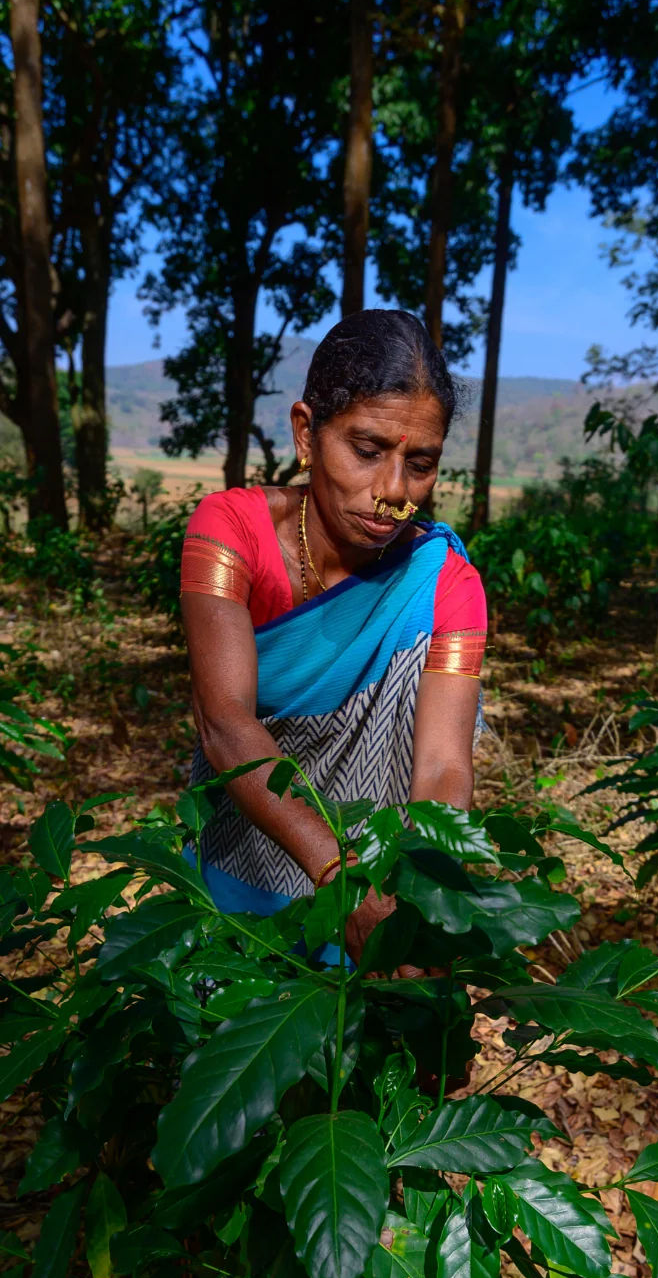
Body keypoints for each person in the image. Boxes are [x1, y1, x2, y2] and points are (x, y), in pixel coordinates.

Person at [180, 309, 487, 963]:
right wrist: (335, 874)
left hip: (382, 892)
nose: (393, 493)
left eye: (421, 464)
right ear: (306, 433)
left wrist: (414, 891)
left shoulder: (444, 584)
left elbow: (442, 767)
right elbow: (225, 723)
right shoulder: (231, 531)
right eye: (368, 451)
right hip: (249, 859)